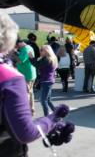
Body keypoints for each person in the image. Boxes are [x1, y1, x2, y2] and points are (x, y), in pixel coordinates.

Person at [0, 12, 73, 156]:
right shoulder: (9, 77)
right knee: (44, 99)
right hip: (6, 149)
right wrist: (52, 121)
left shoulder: (44, 59)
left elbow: (37, 64)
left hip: (43, 80)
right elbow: (25, 133)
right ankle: (52, 113)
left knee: (43, 99)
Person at [29, 45, 58, 116]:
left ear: (46, 51)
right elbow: (38, 63)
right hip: (49, 80)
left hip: (46, 81)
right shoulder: (51, 58)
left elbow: (37, 64)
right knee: (48, 100)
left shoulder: (47, 59)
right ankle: (57, 114)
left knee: (43, 101)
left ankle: (47, 117)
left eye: (41, 50)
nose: (40, 51)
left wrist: (31, 58)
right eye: (40, 50)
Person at [16, 39, 37, 114]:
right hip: (30, 73)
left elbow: (20, 60)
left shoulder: (25, 49)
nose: (17, 47)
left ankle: (26, 112)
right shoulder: (28, 47)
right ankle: (31, 110)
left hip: (27, 75)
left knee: (26, 93)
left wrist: (13, 54)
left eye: (17, 45)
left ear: (21, 43)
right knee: (30, 92)